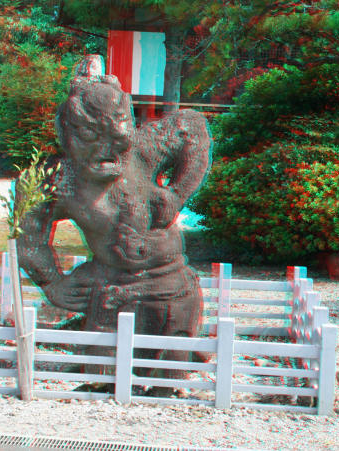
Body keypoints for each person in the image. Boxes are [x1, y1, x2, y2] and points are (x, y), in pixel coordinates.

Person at [17, 55, 212, 381]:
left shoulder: (143, 150)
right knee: (102, 374)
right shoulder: (59, 179)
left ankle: (170, 378)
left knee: (169, 374)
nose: (107, 151)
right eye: (91, 139)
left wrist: (178, 193)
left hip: (170, 284)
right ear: (66, 135)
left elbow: (193, 127)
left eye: (117, 141)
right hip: (108, 287)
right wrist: (52, 281)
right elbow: (28, 237)